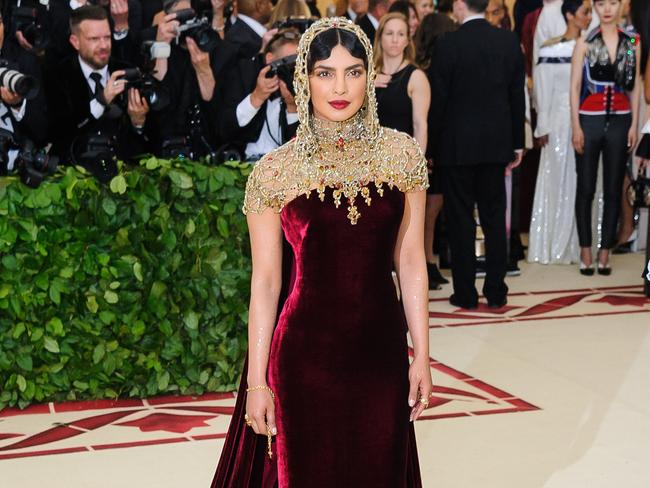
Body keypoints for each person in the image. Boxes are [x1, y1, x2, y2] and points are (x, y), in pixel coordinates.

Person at [212, 17, 432, 486]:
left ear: (370, 77)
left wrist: (423, 356)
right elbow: (267, 282)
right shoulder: (274, 172)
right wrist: (256, 382)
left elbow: (410, 260)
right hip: (302, 359)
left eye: (353, 71)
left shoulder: (401, 156)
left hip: (380, 354)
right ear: (304, 78)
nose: (339, 87)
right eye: (325, 72)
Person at [429, 0, 525, 309]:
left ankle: (466, 293)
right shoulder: (508, 40)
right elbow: (516, 94)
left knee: (460, 221)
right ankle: (496, 290)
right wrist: (518, 142)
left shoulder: (447, 44)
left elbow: (439, 101)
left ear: (459, 5)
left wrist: (431, 146)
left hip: (456, 146)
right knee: (495, 218)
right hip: (496, 144)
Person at [570, 0, 641, 275]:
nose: (608, 8)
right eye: (602, 3)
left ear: (621, 5)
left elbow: (634, 87)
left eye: (613, 2)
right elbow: (575, 86)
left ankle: (604, 251)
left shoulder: (632, 42)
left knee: (613, 188)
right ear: (595, 7)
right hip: (589, 119)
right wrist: (575, 125)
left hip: (621, 120)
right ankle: (585, 249)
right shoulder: (585, 42)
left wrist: (635, 124)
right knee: (586, 187)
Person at [45, 5, 150, 182]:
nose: (103, 46)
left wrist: (138, 123)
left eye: (107, 37)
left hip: (123, 180)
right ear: (75, 42)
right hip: (72, 178)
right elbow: (59, 133)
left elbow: (145, 141)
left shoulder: (126, 71)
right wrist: (101, 101)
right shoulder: (57, 75)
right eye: (94, 39)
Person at [528, 0, 592, 265]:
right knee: (555, 179)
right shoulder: (550, 47)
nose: (590, 17)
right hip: (556, 119)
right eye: (584, 12)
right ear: (570, 15)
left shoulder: (592, 46)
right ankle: (552, 243)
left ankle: (584, 242)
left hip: (587, 119)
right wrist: (541, 125)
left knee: (585, 182)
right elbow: (541, 88)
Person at [417, 8, 457, 287]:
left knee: (432, 208)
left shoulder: (429, 67)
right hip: (432, 145)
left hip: (438, 143)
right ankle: (425, 261)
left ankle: (430, 259)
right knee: (429, 209)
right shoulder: (427, 71)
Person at [219, 29, 300, 160]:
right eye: (288, 62)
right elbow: (225, 130)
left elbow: (299, 146)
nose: (293, 69)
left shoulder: (307, 88)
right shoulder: (245, 75)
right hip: (244, 163)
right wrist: (257, 97)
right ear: (270, 59)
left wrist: (292, 107)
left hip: (286, 168)